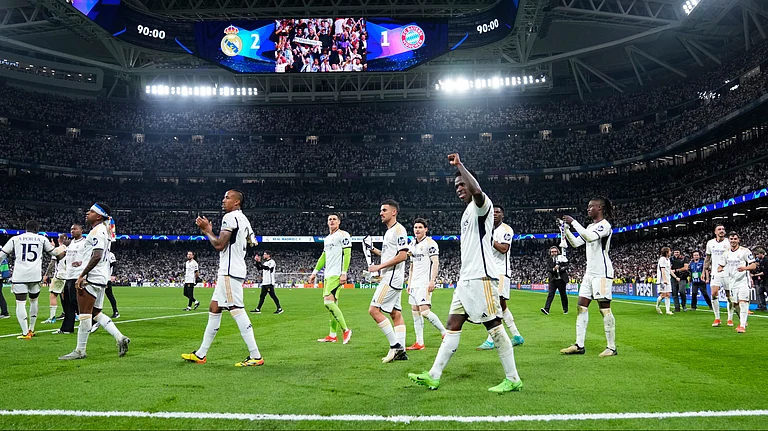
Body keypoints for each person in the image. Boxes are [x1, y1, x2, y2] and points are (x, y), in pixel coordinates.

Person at [408, 153, 522, 393]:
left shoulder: (483, 206)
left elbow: (479, 192)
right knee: (452, 324)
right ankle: (433, 374)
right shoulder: (467, 212)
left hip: (482, 278)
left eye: (463, 184)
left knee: (494, 326)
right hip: (466, 280)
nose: (459, 188)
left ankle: (513, 378)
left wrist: (460, 165)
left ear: (472, 185)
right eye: (456, 185)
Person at [182, 190, 264, 366]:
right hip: (233, 268)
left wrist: (206, 231)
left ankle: (256, 356)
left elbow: (219, 245)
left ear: (237, 202)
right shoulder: (244, 219)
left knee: (236, 309)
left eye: (227, 197)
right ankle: (201, 353)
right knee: (214, 308)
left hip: (229, 270)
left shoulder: (230, 217)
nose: (223, 200)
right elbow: (252, 242)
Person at [59, 204, 130, 360]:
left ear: (98, 216)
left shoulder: (97, 231)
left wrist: (82, 274)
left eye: (91, 211)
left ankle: (80, 350)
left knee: (84, 315)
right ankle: (120, 337)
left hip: (91, 278)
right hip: (101, 278)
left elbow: (97, 255)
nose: (87, 213)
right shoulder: (105, 230)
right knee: (95, 313)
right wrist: (82, 262)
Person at [559, 196, 617, 357]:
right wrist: (567, 231)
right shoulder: (590, 226)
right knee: (581, 306)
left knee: (604, 309)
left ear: (600, 208)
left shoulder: (604, 225)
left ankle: (611, 347)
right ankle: (579, 345)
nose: (588, 209)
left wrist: (573, 222)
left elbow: (590, 237)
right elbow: (577, 243)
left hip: (602, 273)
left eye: (591, 206)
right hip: (589, 273)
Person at [0, 220, 62, 339]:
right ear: (37, 229)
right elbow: (54, 253)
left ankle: (25, 333)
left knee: (21, 303)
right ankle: (31, 329)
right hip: (35, 275)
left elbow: (2, 254)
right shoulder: (42, 239)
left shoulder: (16, 239)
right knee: (34, 301)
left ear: (26, 228)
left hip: (20, 276)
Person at [367, 199, 409, 363]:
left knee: (374, 310)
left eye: (384, 210)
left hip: (392, 277)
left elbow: (403, 255)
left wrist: (380, 267)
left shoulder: (399, 230)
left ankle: (395, 346)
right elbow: (390, 255)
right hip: (391, 276)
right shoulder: (389, 232)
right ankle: (402, 351)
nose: (381, 213)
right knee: (395, 314)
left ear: (394, 212)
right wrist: (373, 250)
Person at [477, 206, 524, 350]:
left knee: (495, 305)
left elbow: (504, 249)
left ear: (503, 215)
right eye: (493, 212)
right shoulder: (487, 228)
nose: (495, 214)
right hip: (489, 271)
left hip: (501, 272)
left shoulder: (506, 229)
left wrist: (489, 239)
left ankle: (492, 339)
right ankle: (516, 336)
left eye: (498, 212)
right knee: (501, 306)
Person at [309, 213, 352, 344]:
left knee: (327, 302)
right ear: (327, 222)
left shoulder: (344, 235)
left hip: (337, 274)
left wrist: (344, 272)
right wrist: (314, 272)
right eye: (329, 219)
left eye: (334, 219)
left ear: (339, 222)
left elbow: (347, 253)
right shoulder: (327, 239)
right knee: (332, 305)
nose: (332, 221)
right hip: (327, 274)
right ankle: (332, 335)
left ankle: (346, 330)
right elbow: (324, 256)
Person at [405, 218, 446, 351]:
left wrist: (432, 280)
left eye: (420, 227)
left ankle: (445, 333)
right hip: (414, 283)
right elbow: (411, 265)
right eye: (415, 227)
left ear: (426, 229)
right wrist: (409, 283)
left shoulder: (430, 243)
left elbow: (435, 262)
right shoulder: (411, 245)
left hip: (424, 283)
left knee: (425, 312)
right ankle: (419, 343)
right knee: (415, 312)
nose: (417, 230)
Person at [716, 232, 757, 333]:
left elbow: (754, 265)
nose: (733, 241)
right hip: (732, 282)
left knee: (743, 302)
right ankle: (742, 321)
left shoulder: (745, 251)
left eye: (735, 239)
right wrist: (720, 269)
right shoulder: (726, 253)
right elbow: (721, 265)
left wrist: (745, 268)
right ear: (729, 240)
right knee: (735, 304)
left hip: (743, 280)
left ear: (738, 240)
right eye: (731, 239)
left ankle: (742, 325)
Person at [57, 224, 86, 335]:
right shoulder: (71, 243)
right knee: (67, 303)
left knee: (75, 301)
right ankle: (67, 328)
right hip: (69, 275)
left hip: (78, 275)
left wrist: (81, 263)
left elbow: (91, 256)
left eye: (75, 229)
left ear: (81, 230)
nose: (72, 231)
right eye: (71, 229)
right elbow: (62, 255)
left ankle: (93, 319)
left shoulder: (85, 243)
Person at [704, 224, 730, 327]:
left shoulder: (728, 242)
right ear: (715, 232)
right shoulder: (710, 243)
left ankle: (730, 318)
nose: (722, 230)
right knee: (714, 293)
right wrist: (704, 271)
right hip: (715, 272)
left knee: (729, 296)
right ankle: (717, 318)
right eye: (719, 229)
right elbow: (707, 258)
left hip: (728, 272)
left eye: (723, 229)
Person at [43, 234, 70, 323]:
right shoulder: (71, 249)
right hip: (69, 275)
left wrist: (46, 275)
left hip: (60, 275)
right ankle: (70, 314)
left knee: (53, 294)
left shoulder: (58, 250)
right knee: (65, 296)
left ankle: (52, 317)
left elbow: (52, 263)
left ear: (59, 240)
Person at [542, 246, 569, 315]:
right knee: (550, 294)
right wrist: (554, 269)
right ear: (550, 253)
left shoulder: (562, 258)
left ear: (557, 252)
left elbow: (567, 266)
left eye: (555, 251)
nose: (553, 253)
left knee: (563, 295)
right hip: (553, 280)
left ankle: (565, 309)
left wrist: (560, 268)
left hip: (561, 280)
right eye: (552, 252)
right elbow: (548, 269)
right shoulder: (549, 260)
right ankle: (546, 309)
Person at [655, 247, 674, 315]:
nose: (671, 252)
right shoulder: (662, 259)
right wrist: (665, 280)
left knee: (668, 294)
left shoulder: (668, 260)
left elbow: (669, 270)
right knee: (663, 295)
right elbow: (662, 270)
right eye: (670, 251)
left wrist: (675, 277)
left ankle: (667, 310)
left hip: (668, 279)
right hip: (662, 280)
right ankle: (657, 306)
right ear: (666, 252)